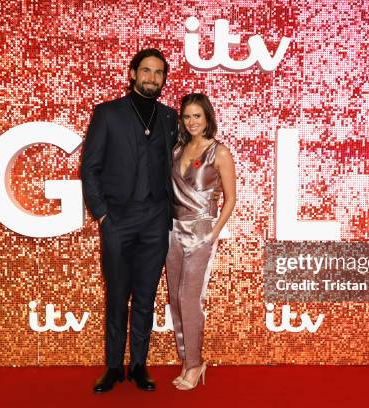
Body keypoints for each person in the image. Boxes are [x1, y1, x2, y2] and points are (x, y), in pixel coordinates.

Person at [80, 48, 178, 392]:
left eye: (159, 73)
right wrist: (103, 215)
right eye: (146, 71)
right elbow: (89, 168)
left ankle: (138, 365)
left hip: (155, 220)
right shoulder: (107, 113)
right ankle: (112, 367)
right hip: (118, 220)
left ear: (164, 78)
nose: (152, 78)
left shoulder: (169, 118)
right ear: (133, 73)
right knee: (118, 295)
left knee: (146, 296)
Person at [165, 93, 236, 391]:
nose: (192, 121)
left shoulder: (219, 152)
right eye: (187, 116)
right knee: (175, 299)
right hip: (172, 231)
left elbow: (231, 200)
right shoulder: (177, 150)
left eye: (198, 116)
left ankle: (194, 365)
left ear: (208, 117)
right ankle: (188, 360)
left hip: (201, 232)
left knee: (189, 299)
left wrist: (212, 232)